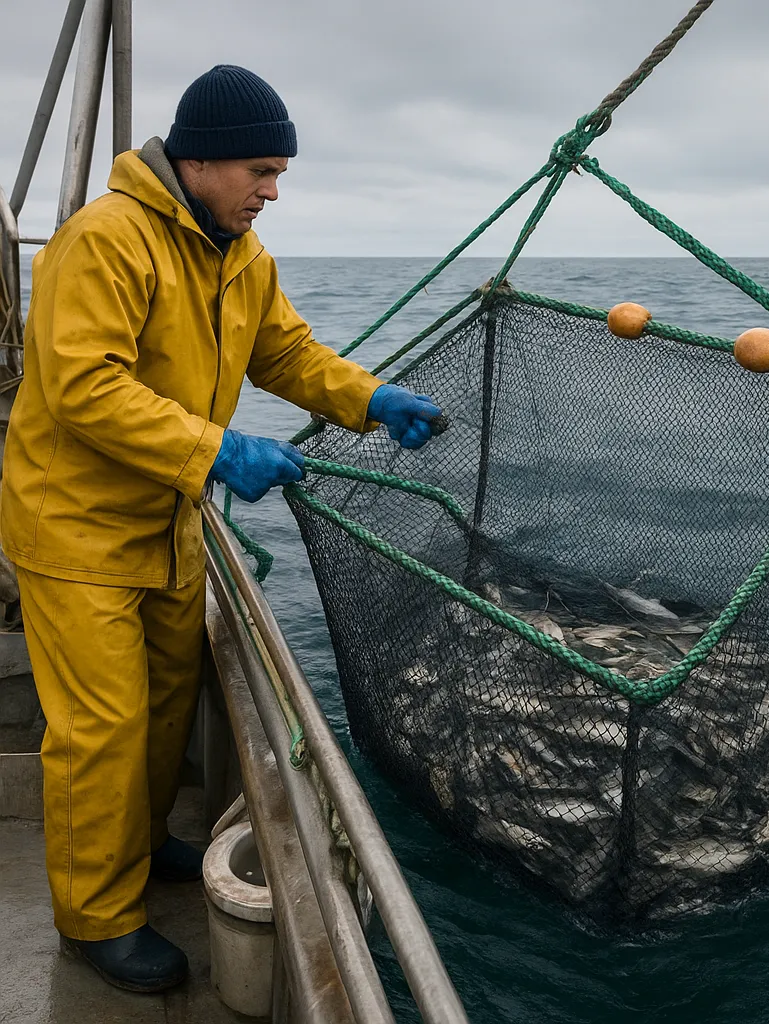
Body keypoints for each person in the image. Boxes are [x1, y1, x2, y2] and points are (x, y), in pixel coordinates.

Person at [0, 64, 440, 993]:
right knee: (103, 725)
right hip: (75, 528)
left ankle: (141, 838)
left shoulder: (242, 254)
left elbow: (285, 351)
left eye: (278, 173)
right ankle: (94, 917)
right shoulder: (102, 241)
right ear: (198, 162)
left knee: (167, 703)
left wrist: (368, 398)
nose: (272, 191)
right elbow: (83, 386)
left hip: (168, 523)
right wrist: (218, 450)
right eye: (261, 171)